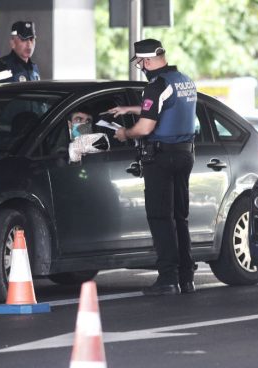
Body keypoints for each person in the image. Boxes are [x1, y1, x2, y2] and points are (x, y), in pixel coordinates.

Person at [108, 39, 197, 296]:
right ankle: (186, 277)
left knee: (160, 217)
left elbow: (146, 127)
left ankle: (168, 278)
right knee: (180, 216)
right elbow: (164, 107)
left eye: (140, 63)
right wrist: (130, 107)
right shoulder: (183, 80)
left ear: (146, 61)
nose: (141, 68)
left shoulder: (156, 86)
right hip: (184, 155)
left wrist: (126, 133)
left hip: (162, 157)